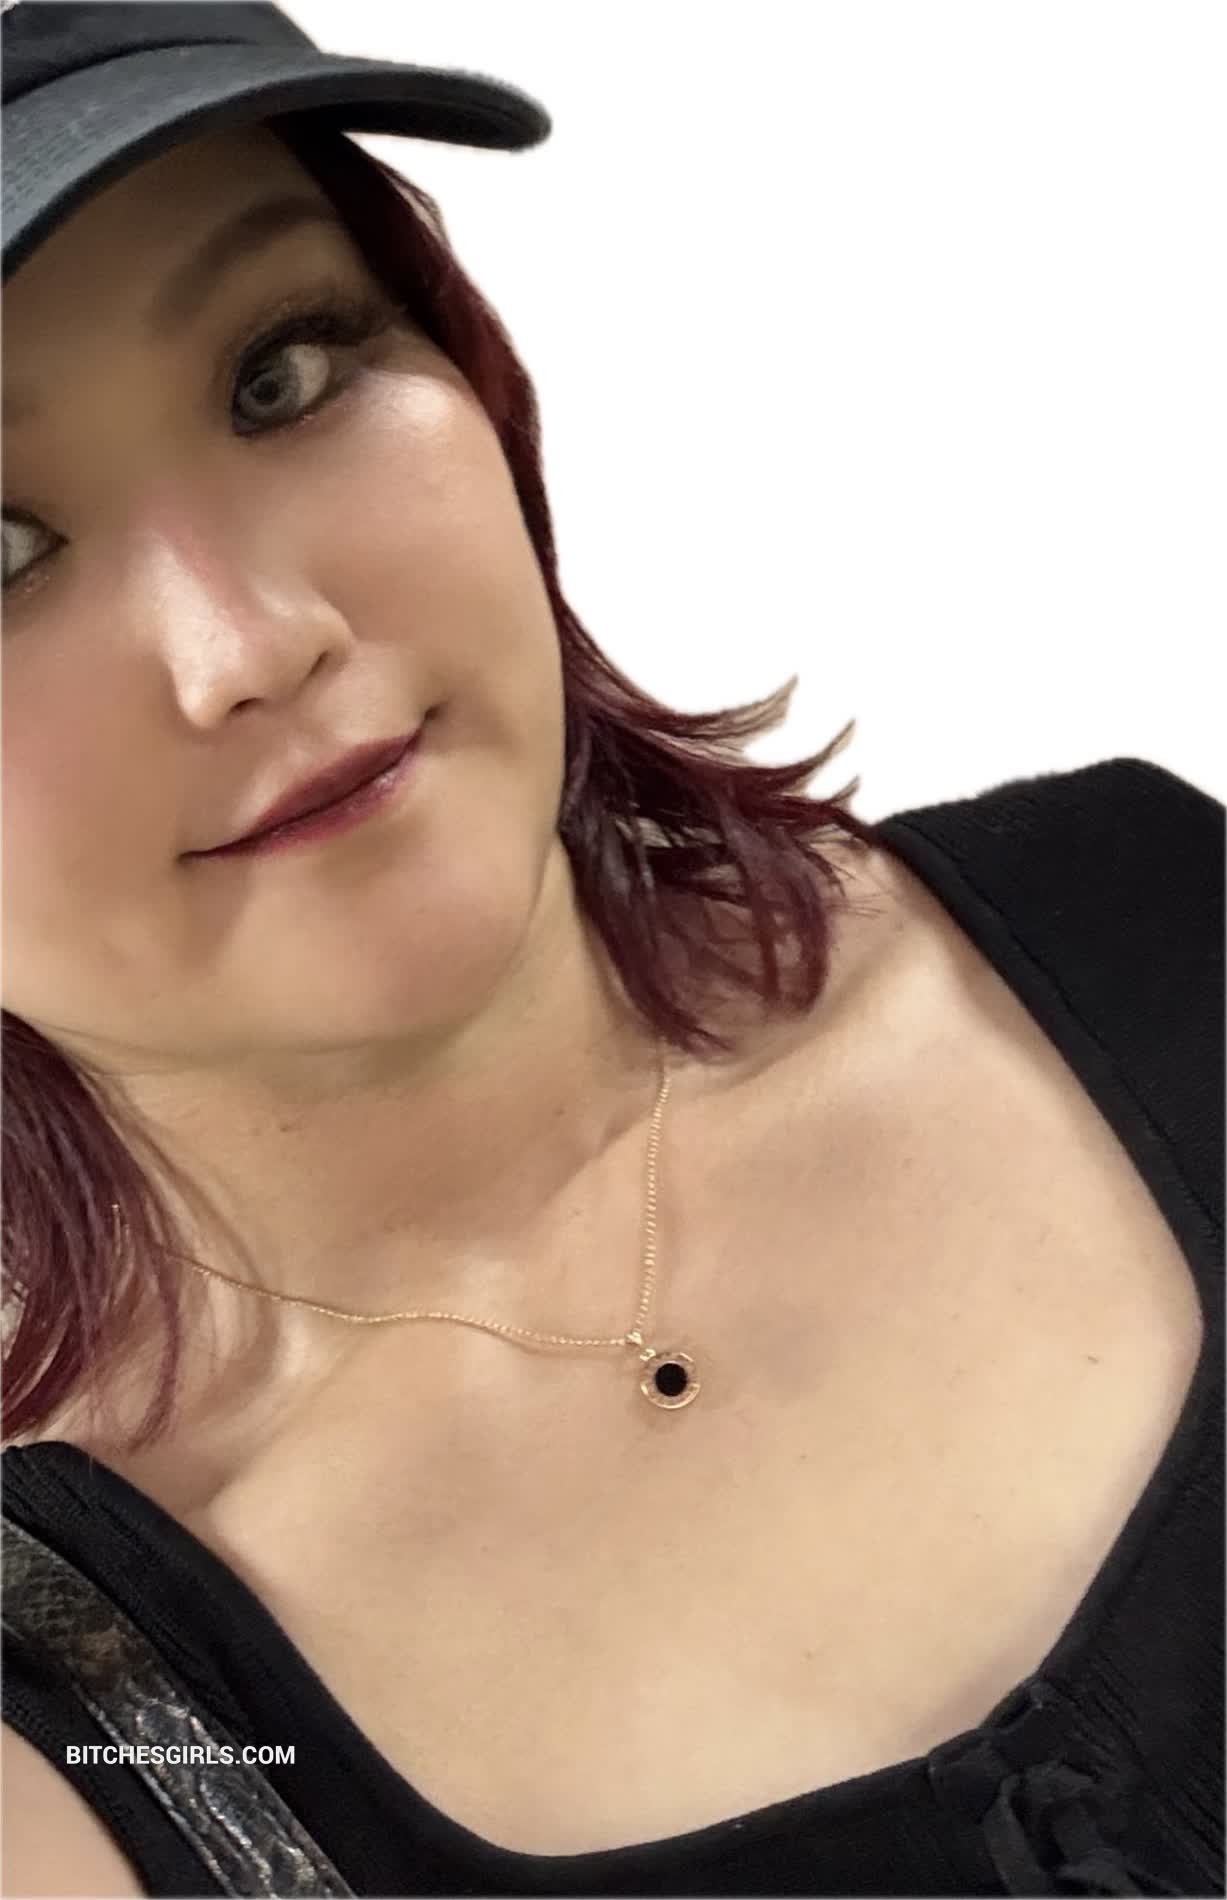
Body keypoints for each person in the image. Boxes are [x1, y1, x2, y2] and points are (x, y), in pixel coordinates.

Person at [1, 7, 1221, 1897]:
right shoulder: (80, 1745)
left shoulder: (1158, 923)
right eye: (5, 552)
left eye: (280, 372)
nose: (255, 642)